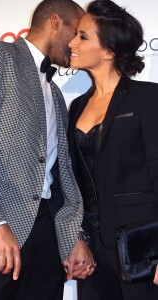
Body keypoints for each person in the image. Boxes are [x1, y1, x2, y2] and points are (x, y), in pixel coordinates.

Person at [0, 0, 95, 299]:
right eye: (76, 32)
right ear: (55, 22)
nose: (76, 44)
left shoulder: (57, 94)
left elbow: (59, 176)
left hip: (46, 236)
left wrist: (72, 235)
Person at [67, 0, 158, 299]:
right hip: (92, 251)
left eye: (82, 36)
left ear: (108, 51)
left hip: (141, 247)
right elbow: (75, 182)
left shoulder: (147, 98)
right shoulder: (76, 106)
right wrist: (77, 239)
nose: (72, 42)